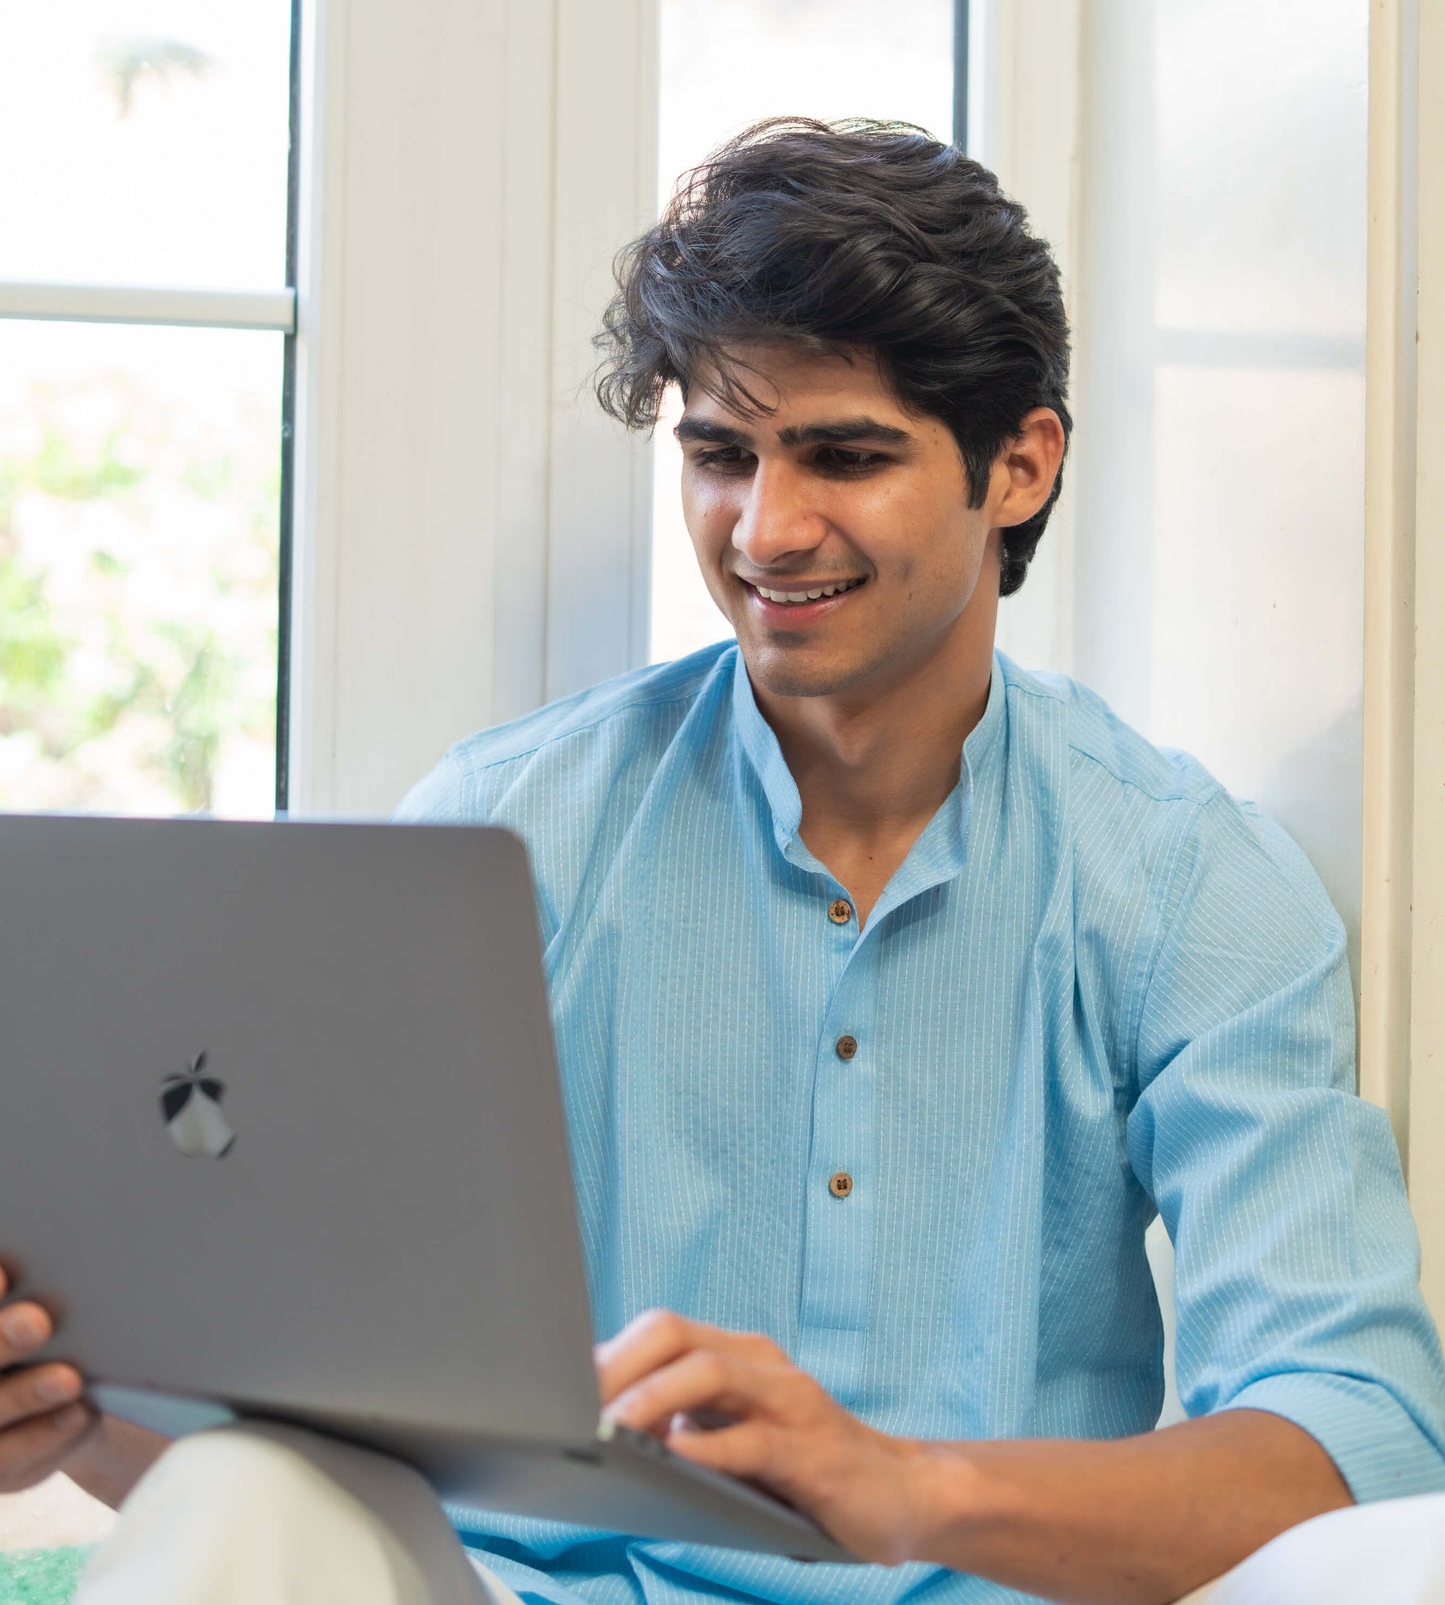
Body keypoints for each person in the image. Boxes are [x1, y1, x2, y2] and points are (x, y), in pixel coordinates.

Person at [3, 118, 1445, 1605]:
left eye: (843, 455)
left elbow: (1363, 1437)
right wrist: (73, 1416)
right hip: (524, 1598)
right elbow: (300, 1453)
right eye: (719, 454)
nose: (764, 526)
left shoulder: (1188, 881)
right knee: (245, 1487)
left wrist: (907, 1487)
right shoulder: (503, 833)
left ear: (1017, 465)